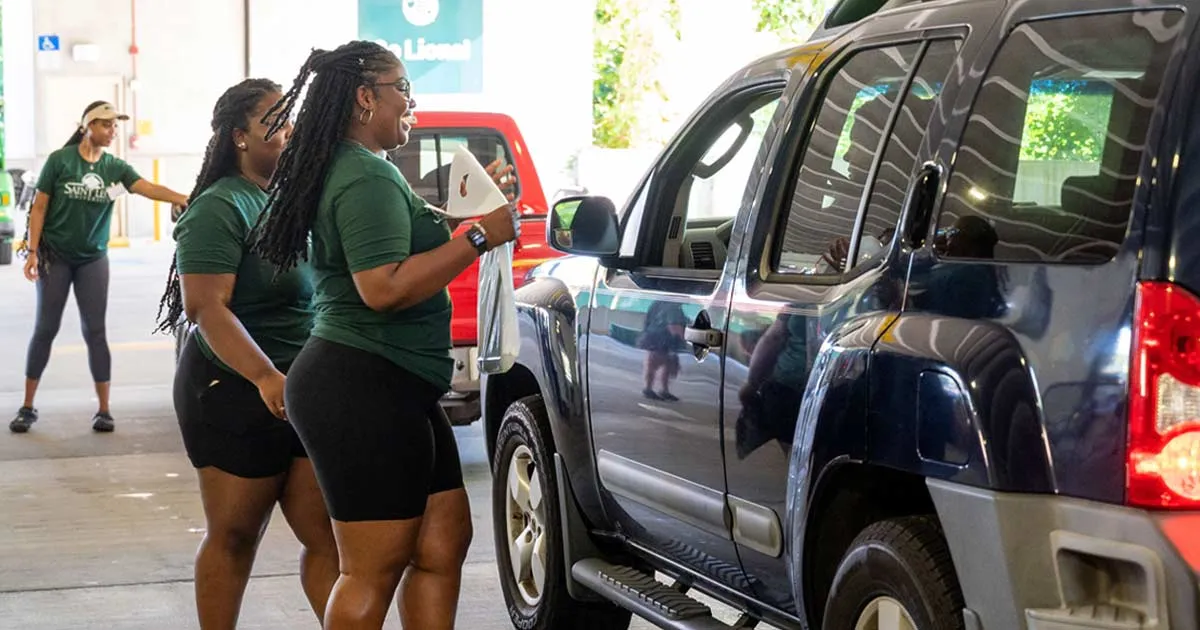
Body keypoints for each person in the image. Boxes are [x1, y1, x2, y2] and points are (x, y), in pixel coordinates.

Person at [252, 41, 520, 630]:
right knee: (372, 567)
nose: (411, 104)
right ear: (365, 97)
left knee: (443, 541)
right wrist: (479, 238)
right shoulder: (364, 175)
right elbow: (382, 287)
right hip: (362, 383)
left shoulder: (363, 169)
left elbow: (399, 250)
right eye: (403, 89)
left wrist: (469, 215)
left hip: (395, 383)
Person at [152, 79, 339, 629]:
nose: (289, 131)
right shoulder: (218, 206)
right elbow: (207, 309)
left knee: (327, 535)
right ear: (239, 137)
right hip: (233, 389)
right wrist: (264, 376)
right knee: (235, 535)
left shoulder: (287, 199)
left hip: (298, 389)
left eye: (290, 120)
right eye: (274, 123)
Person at [11, 100, 189, 434]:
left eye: (115, 126)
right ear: (87, 126)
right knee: (45, 328)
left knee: (95, 331)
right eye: (106, 124)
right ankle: (27, 406)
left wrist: (184, 196)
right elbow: (39, 208)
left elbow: (147, 188)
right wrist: (32, 251)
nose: (112, 131)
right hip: (56, 256)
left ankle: (104, 410)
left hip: (92, 258)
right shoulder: (60, 162)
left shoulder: (115, 168)